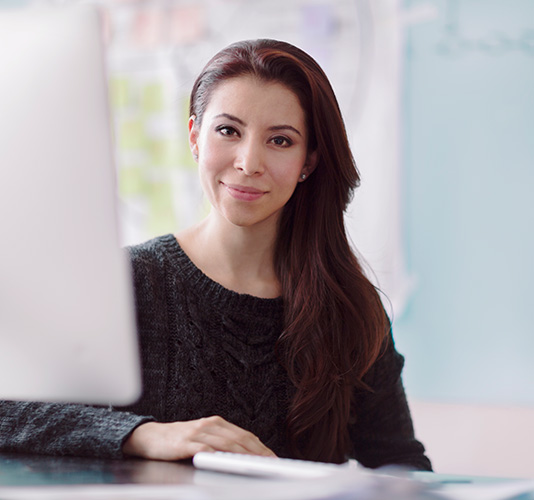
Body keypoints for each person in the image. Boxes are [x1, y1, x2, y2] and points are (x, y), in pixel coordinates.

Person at [0, 39, 431, 470]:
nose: (248, 162)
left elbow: (400, 466)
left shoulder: (349, 307)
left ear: (309, 161)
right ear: (194, 137)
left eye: (280, 140)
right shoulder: (125, 281)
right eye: (228, 131)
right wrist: (142, 434)